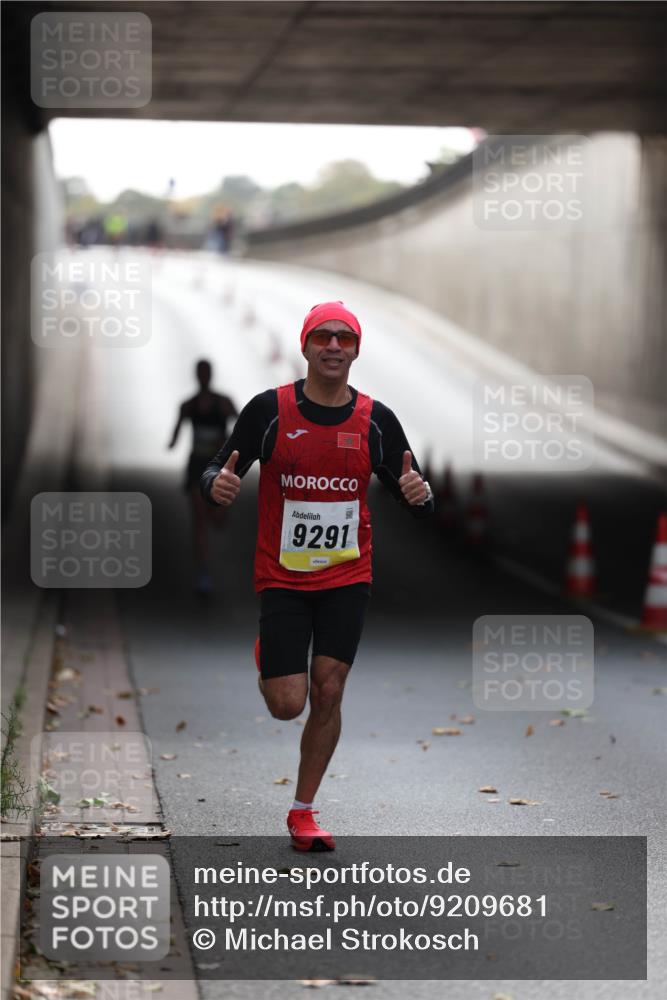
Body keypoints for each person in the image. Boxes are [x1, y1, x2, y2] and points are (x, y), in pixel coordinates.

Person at [200, 302, 434, 850]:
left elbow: (413, 490)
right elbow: (216, 466)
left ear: (356, 350)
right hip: (282, 576)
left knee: (329, 689)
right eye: (322, 337)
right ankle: (271, 657)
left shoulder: (377, 420)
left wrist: (422, 497)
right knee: (288, 704)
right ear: (305, 346)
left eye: (344, 338)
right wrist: (215, 485)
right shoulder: (270, 412)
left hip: (347, 576)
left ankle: (303, 812)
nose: (333, 346)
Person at [169, 360, 238, 594]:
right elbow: (175, 436)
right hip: (197, 467)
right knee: (199, 522)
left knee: (217, 521)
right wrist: (173, 440)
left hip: (218, 467)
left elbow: (243, 428)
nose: (204, 377)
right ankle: (203, 571)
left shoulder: (224, 404)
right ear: (197, 376)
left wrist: (227, 444)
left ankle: (217, 513)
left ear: (211, 375)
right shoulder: (188, 406)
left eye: (207, 373)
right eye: (201, 373)